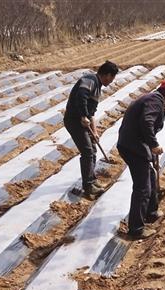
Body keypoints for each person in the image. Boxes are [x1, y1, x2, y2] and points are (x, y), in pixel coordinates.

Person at [116, 80, 165, 240]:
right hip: (132, 147)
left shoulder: (150, 98)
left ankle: (151, 213)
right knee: (142, 187)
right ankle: (136, 229)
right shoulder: (155, 101)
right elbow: (147, 122)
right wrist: (154, 144)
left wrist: (150, 147)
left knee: (150, 176)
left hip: (131, 144)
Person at [64, 60, 119, 198]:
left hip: (83, 121)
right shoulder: (90, 80)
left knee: (93, 149)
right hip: (74, 121)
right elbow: (81, 96)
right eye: (112, 78)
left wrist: (94, 131)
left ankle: (92, 180)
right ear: (107, 75)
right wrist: (83, 116)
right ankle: (88, 186)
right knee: (87, 151)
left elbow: (91, 114)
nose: (111, 81)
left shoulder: (97, 86)